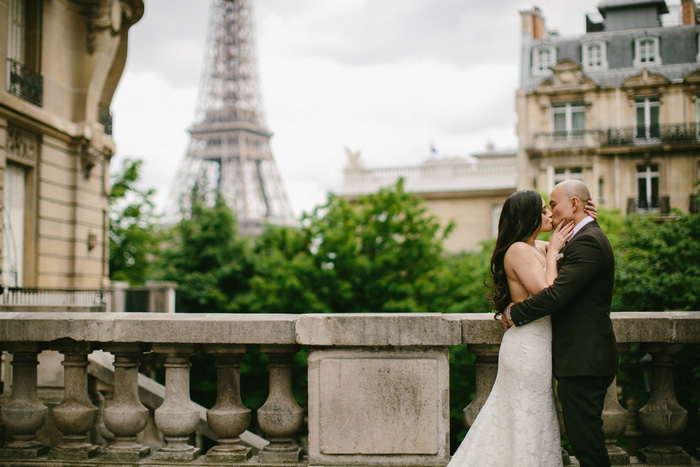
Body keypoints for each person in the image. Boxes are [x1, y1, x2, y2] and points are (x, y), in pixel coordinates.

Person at [448, 189, 592, 467]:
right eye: (542, 210)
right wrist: (553, 256)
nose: (549, 213)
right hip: (526, 346)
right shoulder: (517, 250)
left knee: (536, 414)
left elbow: (568, 239)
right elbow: (547, 293)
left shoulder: (537, 246)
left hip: (540, 342)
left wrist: (583, 214)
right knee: (525, 414)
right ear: (527, 217)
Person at [502, 180, 617, 467]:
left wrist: (513, 314)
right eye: (545, 209)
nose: (551, 213)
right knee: (584, 440)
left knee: (587, 445)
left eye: (553, 205)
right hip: (576, 356)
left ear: (574, 204)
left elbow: (554, 295)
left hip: (583, 358)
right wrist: (585, 220)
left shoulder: (588, 240)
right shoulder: (580, 237)